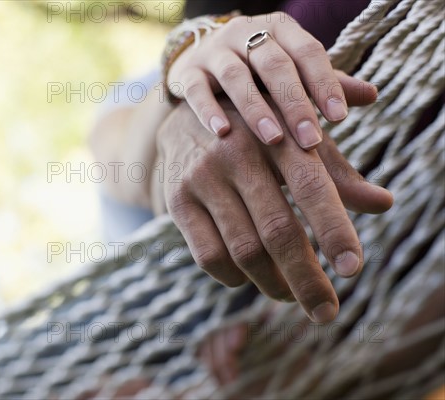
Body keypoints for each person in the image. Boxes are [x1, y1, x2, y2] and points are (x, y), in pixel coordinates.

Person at [90, 0, 392, 323]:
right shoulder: (145, 93)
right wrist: (188, 60)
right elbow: (121, 163)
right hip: (121, 301)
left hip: (248, 326)